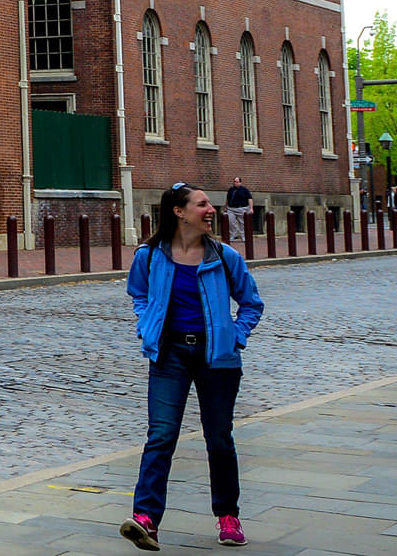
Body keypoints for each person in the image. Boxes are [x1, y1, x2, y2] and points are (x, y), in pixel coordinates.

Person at [120, 183, 264, 550]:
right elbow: (138, 293)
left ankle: (228, 516)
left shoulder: (225, 257)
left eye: (210, 204)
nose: (211, 209)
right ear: (179, 212)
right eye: (202, 204)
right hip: (169, 356)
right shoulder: (150, 256)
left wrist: (236, 336)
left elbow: (252, 303)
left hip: (217, 360)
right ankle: (146, 519)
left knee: (218, 438)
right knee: (161, 436)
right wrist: (146, 322)